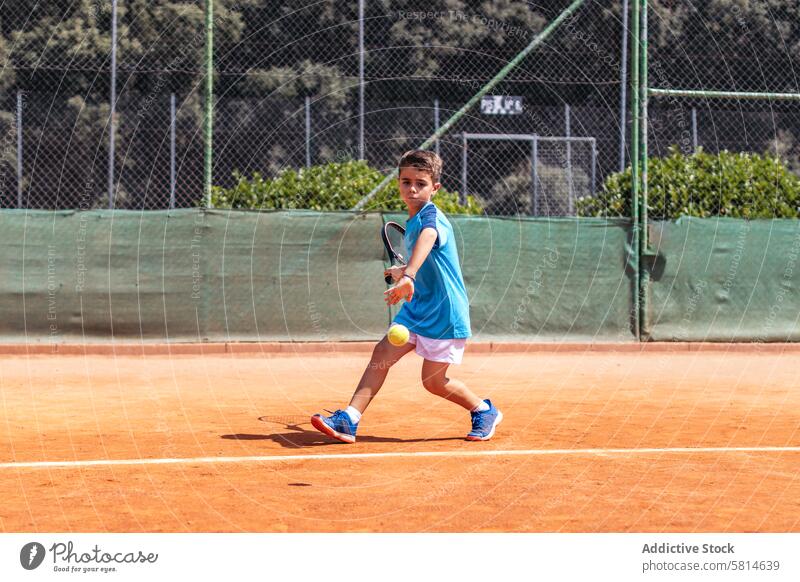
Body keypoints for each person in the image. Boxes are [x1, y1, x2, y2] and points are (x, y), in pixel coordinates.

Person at [310, 150, 502, 443]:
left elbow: (429, 238)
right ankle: (350, 418)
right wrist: (404, 270)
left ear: (435, 188)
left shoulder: (431, 217)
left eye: (421, 183)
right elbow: (427, 258)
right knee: (381, 355)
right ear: (398, 183)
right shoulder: (411, 221)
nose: (412, 189)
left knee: (434, 382)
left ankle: (483, 410)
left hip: (444, 312)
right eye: (406, 181)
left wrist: (410, 275)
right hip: (418, 308)